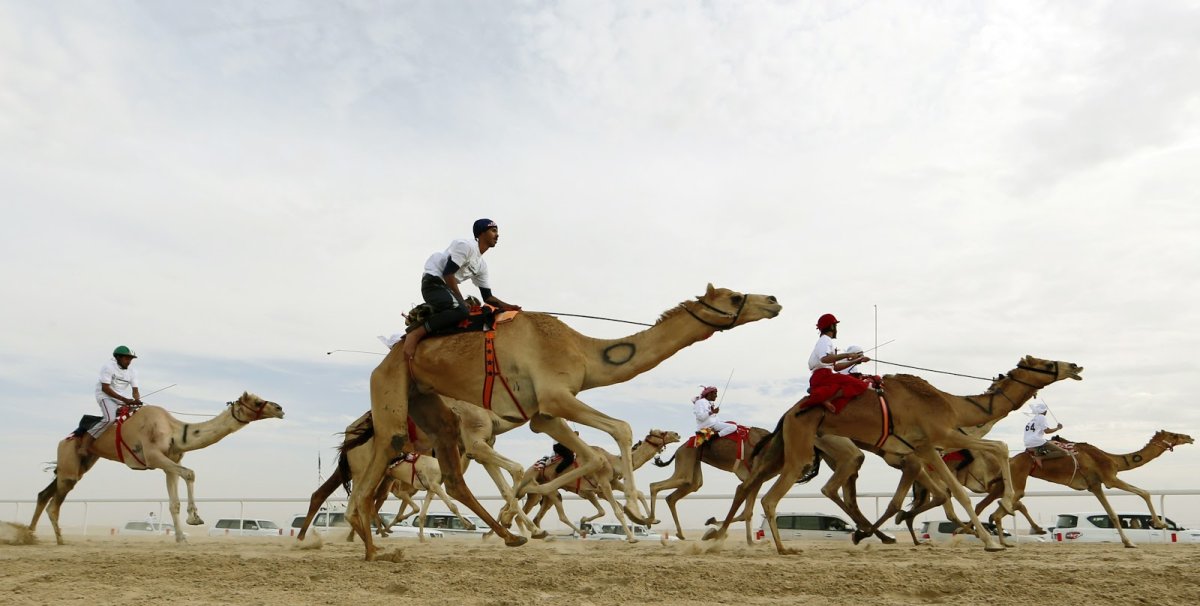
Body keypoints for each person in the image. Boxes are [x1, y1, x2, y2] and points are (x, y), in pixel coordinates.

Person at [401, 218, 521, 359]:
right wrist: (460, 300)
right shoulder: (466, 246)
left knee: (467, 312)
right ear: (481, 233)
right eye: (493, 230)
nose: (497, 235)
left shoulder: (481, 265)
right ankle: (416, 333)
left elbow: (488, 297)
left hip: (446, 289)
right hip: (433, 283)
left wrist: (509, 307)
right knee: (462, 310)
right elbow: (448, 274)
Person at [79, 346, 142, 457]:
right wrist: (124, 400)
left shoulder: (133, 372)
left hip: (121, 398)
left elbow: (135, 390)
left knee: (138, 414)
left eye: (131, 359)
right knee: (110, 419)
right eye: (127, 358)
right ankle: (85, 444)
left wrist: (136, 400)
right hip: (105, 396)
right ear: (118, 357)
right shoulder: (108, 367)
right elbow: (105, 388)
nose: (129, 361)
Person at [807, 314, 870, 413]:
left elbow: (836, 367)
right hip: (823, 376)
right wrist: (847, 355)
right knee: (860, 385)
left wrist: (856, 361)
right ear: (832, 326)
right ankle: (828, 398)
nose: (836, 329)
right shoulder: (825, 340)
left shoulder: (825, 341)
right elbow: (824, 359)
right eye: (835, 326)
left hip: (823, 375)